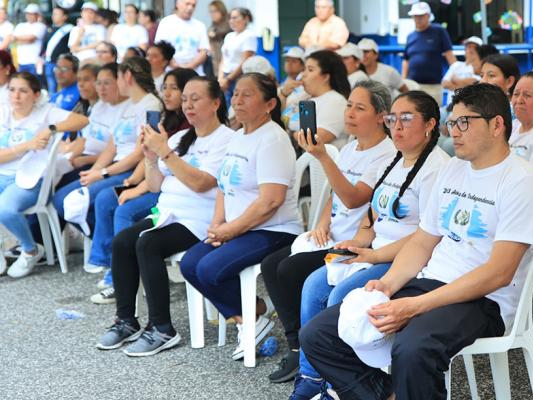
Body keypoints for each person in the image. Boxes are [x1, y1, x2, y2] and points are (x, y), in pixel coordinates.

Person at [300, 83, 533, 400]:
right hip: (429, 282)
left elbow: (499, 273)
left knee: (413, 348)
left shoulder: (524, 181)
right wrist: (389, 285)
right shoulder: (455, 170)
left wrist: (414, 306)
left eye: (465, 122)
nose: (455, 132)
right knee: (319, 334)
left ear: (497, 125)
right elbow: (422, 241)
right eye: (453, 123)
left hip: (484, 300)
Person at [291, 90, 450, 399]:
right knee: (313, 285)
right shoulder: (392, 160)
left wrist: (374, 253)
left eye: (407, 118)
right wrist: (357, 242)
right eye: (393, 119)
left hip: (405, 259)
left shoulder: (437, 169)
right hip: (374, 250)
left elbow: (426, 234)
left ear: (430, 124)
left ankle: (347, 381)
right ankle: (312, 376)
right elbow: (371, 215)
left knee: (341, 294)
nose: (397, 127)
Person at [262, 80, 397, 385]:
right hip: (331, 234)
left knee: (291, 269)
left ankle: (311, 348)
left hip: (355, 243)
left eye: (359, 107)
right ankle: (298, 344)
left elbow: (353, 198)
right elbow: (336, 199)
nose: (349, 112)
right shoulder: (350, 147)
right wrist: (323, 220)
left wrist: (323, 156)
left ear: (380, 116)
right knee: (271, 265)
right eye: (349, 105)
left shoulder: (386, 155)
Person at [95, 76, 234, 355]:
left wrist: (165, 152)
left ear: (216, 102)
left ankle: (162, 328)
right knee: (123, 240)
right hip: (168, 213)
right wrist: (149, 156)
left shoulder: (226, 140)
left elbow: (201, 183)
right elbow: (156, 185)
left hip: (200, 219)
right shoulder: (180, 138)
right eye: (185, 100)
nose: (188, 105)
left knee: (148, 244)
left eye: (196, 98)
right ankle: (126, 320)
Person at [180, 73, 302, 360]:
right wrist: (217, 223)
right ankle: (251, 319)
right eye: (236, 94)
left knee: (209, 269)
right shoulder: (238, 137)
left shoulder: (273, 139)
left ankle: (254, 319)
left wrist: (231, 230)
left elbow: (271, 201)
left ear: (270, 104)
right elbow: (223, 185)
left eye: (247, 95)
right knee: (190, 263)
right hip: (241, 227)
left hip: (274, 229)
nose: (237, 100)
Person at [89, 68, 197, 300]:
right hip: (157, 183)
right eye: (165, 87)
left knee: (124, 209)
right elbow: (149, 155)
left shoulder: (189, 129)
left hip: (173, 195)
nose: (166, 94)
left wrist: (136, 187)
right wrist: (134, 181)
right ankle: (112, 268)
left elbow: (170, 166)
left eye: (174, 88)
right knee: (108, 196)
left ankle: (124, 279)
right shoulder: (168, 119)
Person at [53, 57, 163, 268]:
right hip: (114, 166)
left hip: (131, 170)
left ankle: (104, 257)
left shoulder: (150, 105)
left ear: (127, 77)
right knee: (62, 199)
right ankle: (102, 245)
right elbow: (113, 145)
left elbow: (141, 152)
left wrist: (102, 173)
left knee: (102, 198)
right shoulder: (129, 104)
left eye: (116, 78)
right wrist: (94, 172)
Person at [0, 72, 88, 277]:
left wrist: (52, 129)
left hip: (31, 180)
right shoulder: (2, 112)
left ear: (36, 94)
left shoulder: (45, 112)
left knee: (4, 208)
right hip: (3, 173)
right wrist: (27, 146)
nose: (16, 96)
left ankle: (30, 249)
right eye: (12, 90)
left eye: (23, 91)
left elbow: (82, 120)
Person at [64, 63, 126, 186]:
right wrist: (70, 156)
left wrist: (87, 162)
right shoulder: (99, 105)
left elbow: (115, 151)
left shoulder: (125, 110)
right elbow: (84, 139)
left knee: (60, 196)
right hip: (83, 158)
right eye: (99, 83)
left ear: (119, 82)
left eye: (106, 83)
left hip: (101, 162)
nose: (101, 88)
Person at [403, 2, 456, 105]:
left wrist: (457, 74)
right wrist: (403, 81)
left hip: (433, 86)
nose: (418, 18)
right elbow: (406, 60)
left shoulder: (439, 30)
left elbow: (449, 54)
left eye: (421, 15)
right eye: (416, 16)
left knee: (433, 116)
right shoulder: (410, 36)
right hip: (412, 85)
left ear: (428, 16)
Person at [299, 50, 351, 149]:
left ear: (325, 77)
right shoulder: (304, 97)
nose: (303, 75)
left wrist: (289, 133)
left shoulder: (335, 101)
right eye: (304, 69)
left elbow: (314, 140)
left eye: (310, 70)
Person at [155, 0, 211, 75]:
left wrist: (189, 67)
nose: (190, 8)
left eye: (193, 5)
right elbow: (160, 48)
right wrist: (175, 66)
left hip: (195, 74)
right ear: (178, 3)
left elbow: (204, 51)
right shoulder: (166, 22)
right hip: (170, 73)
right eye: (187, 4)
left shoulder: (200, 26)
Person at [219, 7, 256, 104]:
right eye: (230, 18)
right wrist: (220, 78)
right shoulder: (229, 36)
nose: (232, 21)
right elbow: (224, 59)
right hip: (225, 77)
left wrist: (229, 79)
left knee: (236, 106)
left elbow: (246, 60)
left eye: (235, 18)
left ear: (246, 19)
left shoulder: (249, 36)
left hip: (238, 77)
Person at [441, 36, 482, 103]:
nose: (471, 49)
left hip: (469, 107)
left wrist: (455, 80)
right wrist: (463, 86)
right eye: (469, 46)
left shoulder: (479, 67)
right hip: (450, 107)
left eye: (475, 48)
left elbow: (474, 82)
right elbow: (445, 84)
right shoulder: (456, 65)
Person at [42, 6, 73, 95]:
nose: (53, 16)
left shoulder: (70, 29)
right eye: (53, 14)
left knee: (64, 86)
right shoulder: (49, 29)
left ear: (64, 16)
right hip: (49, 62)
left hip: (62, 64)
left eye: (56, 14)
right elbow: (44, 46)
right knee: (51, 88)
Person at [12, 4, 46, 77]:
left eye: (31, 14)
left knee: (34, 84)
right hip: (21, 61)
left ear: (37, 15)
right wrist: (25, 40)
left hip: (35, 62)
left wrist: (18, 39)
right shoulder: (20, 25)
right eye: (28, 13)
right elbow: (13, 38)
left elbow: (31, 38)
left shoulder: (41, 26)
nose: (29, 16)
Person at [207, 0, 231, 79]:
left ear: (222, 10)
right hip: (213, 61)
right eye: (211, 11)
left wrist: (214, 35)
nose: (213, 14)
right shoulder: (213, 26)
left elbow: (223, 32)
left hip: (225, 64)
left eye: (215, 11)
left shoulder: (229, 24)